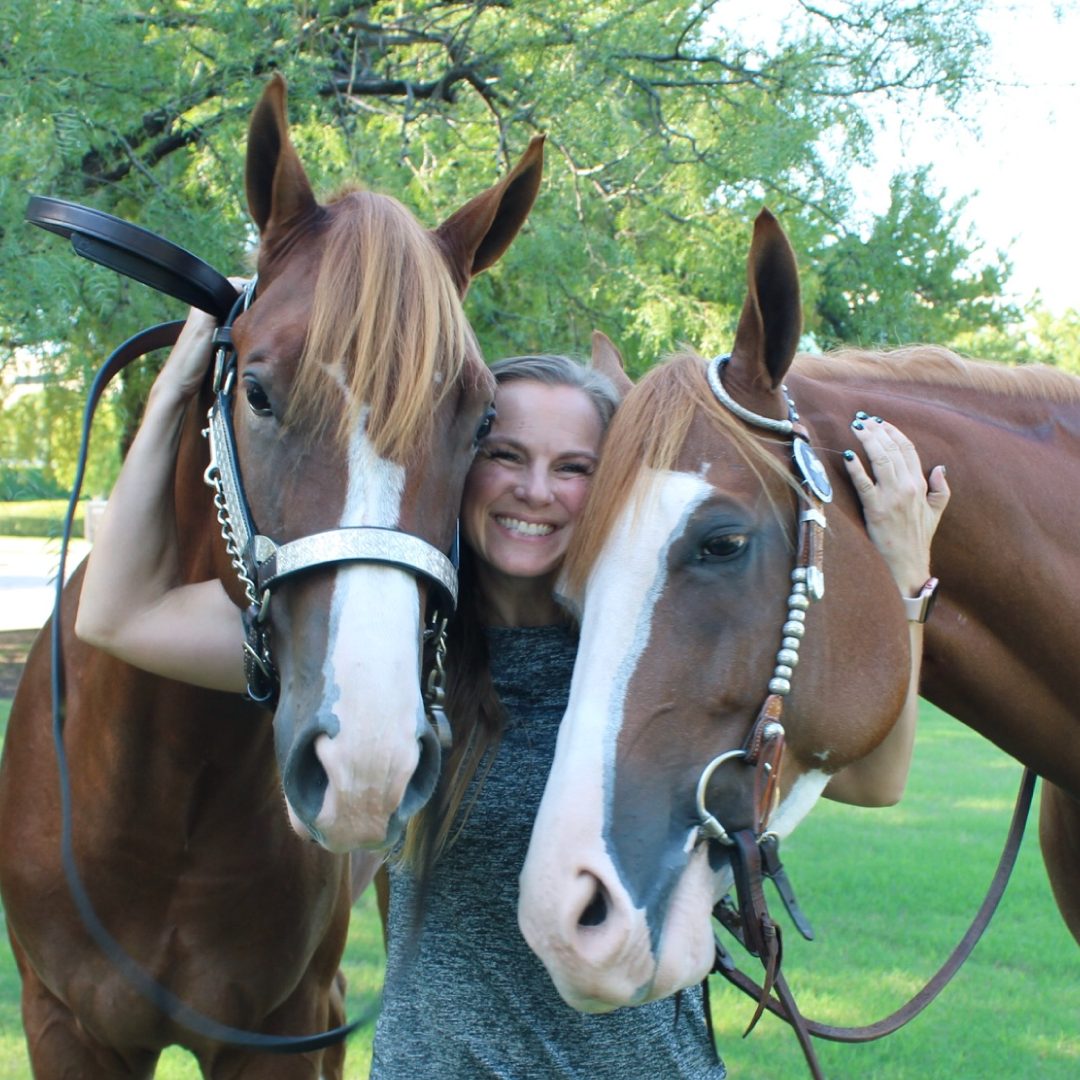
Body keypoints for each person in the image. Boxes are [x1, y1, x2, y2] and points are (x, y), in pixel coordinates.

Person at [76, 306, 949, 1078]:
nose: (535, 489)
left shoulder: (654, 652)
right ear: (462, 461)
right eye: (505, 456)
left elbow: (874, 781)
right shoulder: (398, 651)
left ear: (609, 486)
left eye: (573, 467)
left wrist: (906, 581)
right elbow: (121, 613)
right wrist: (185, 380)